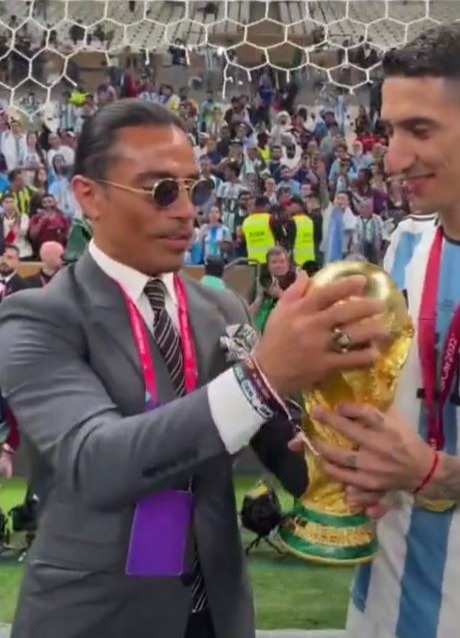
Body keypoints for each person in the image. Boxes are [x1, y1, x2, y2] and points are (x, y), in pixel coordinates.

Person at [0, 100, 387, 638]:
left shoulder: (221, 310)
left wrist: (341, 464)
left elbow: (281, 439)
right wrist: (262, 378)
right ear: (89, 195)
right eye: (162, 191)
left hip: (216, 615)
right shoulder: (37, 317)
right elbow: (96, 459)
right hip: (95, 618)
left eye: (194, 189)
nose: (186, 211)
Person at [293, 24, 460, 638]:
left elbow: (432, 462)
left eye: (420, 130)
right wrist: (341, 438)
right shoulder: (405, 249)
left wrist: (443, 474)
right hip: (386, 604)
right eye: (390, 131)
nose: (392, 158)